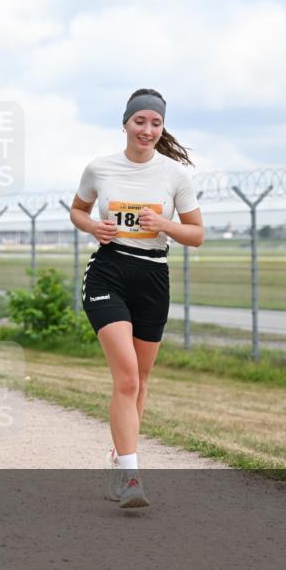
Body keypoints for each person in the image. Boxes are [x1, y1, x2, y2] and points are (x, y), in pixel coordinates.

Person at [69, 88, 204, 508]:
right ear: (125, 123)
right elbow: (77, 210)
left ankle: (118, 456)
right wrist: (93, 228)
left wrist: (164, 222)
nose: (147, 130)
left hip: (153, 275)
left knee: (140, 381)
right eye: (140, 121)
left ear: (162, 128)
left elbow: (197, 235)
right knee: (126, 376)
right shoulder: (100, 167)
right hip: (109, 270)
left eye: (155, 123)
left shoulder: (175, 176)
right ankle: (130, 475)